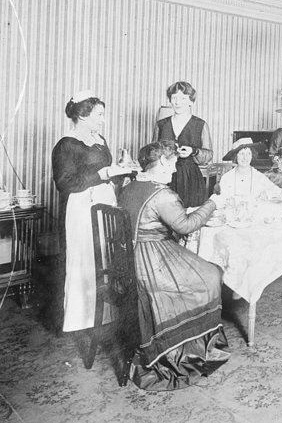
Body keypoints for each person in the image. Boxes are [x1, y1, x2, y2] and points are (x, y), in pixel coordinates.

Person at [118, 139, 230, 391]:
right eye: (173, 163)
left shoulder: (130, 185)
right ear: (161, 162)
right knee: (210, 275)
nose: (175, 169)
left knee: (199, 269)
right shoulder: (162, 194)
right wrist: (213, 202)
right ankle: (185, 351)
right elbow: (186, 226)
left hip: (129, 260)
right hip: (150, 261)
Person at [52, 90, 132, 355]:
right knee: (85, 259)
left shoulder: (99, 140)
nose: (103, 120)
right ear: (83, 115)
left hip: (104, 202)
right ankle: (81, 320)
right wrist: (103, 174)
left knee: (105, 257)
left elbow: (106, 172)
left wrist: (119, 172)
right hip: (81, 208)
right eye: (99, 115)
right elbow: (65, 183)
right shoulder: (66, 144)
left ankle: (105, 315)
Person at [153, 81, 213, 207]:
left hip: (191, 180)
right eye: (174, 98)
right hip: (165, 179)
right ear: (170, 100)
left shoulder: (200, 125)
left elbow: (208, 155)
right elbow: (153, 153)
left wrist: (194, 151)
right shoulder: (161, 125)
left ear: (191, 101)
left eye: (183, 98)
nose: (177, 102)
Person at [218, 138, 282, 200]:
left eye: (248, 153)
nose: (245, 157)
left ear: (252, 155)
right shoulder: (227, 178)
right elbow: (221, 199)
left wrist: (267, 194)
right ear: (235, 156)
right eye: (242, 153)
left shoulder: (259, 177)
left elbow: (279, 192)